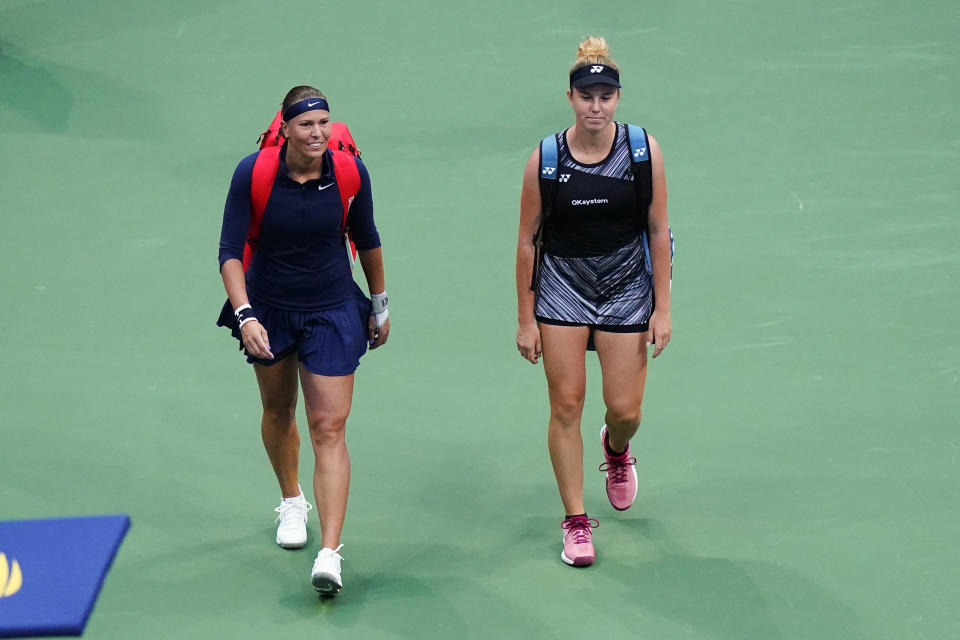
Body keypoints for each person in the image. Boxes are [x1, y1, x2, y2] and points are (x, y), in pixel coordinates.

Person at [217, 85, 389, 595]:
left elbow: (368, 238)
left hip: (333, 310)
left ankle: (330, 553)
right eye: (307, 125)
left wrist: (380, 304)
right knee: (277, 410)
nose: (318, 134)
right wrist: (245, 315)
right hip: (269, 308)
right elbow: (229, 250)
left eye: (325, 124)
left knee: (328, 426)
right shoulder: (254, 173)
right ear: (286, 130)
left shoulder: (350, 173)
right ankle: (292, 500)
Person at [515, 37, 672, 567]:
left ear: (618, 98)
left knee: (625, 409)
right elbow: (527, 239)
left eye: (606, 96)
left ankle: (616, 448)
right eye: (587, 96)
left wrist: (663, 307)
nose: (596, 106)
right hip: (562, 285)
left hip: (627, 286)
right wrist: (525, 318)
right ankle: (577, 520)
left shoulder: (642, 151)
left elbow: (657, 229)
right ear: (570, 97)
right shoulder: (548, 158)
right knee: (566, 405)